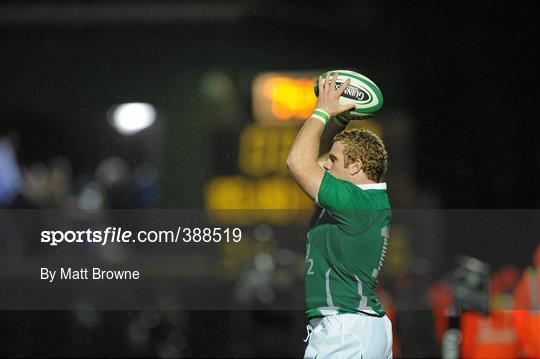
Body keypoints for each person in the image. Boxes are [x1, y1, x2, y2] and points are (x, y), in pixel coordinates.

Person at [286, 72, 392, 359]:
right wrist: (339, 125)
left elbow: (298, 162)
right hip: (360, 327)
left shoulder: (354, 202)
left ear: (356, 166)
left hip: (346, 328)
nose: (327, 165)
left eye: (334, 160)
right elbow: (316, 163)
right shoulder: (365, 199)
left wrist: (322, 111)